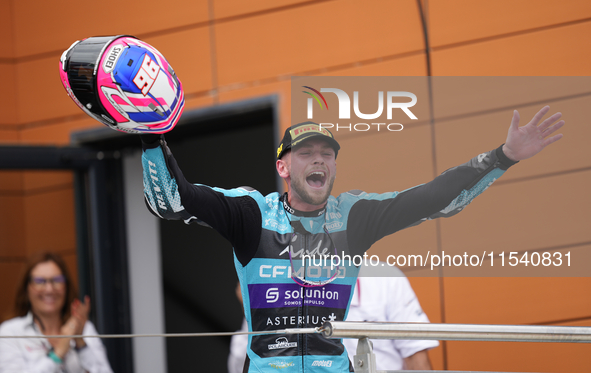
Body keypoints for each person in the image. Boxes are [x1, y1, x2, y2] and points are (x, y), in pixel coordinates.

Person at [138, 105, 563, 372]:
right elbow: (173, 201)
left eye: (327, 154)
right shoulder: (251, 214)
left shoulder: (354, 217)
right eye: (306, 153)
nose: (319, 160)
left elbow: (435, 199)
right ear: (283, 168)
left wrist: (502, 157)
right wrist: (151, 135)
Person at [228, 265, 437, 372]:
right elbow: (240, 365)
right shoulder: (282, 283)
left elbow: (417, 357)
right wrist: (252, 309)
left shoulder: (384, 278)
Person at [0, 251, 112, 373]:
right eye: (39, 281)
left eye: (57, 280)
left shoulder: (85, 328)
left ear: (66, 286)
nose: (49, 289)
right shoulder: (10, 332)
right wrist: (57, 354)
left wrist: (81, 344)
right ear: (27, 288)